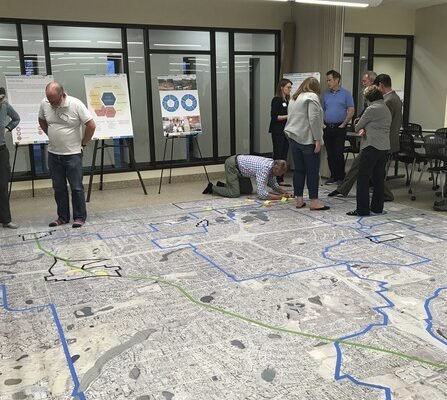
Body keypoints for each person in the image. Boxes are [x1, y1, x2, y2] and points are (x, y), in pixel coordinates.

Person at [38, 82, 96, 228]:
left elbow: (91, 125)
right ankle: (62, 217)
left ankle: (79, 217)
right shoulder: (45, 103)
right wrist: (51, 135)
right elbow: (42, 120)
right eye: (48, 99)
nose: (50, 103)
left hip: (73, 154)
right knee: (59, 188)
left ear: (62, 95)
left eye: (53, 100)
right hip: (53, 154)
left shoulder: (75, 104)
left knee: (76, 187)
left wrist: (83, 143)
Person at [328, 70, 377, 198]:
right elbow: (366, 112)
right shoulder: (369, 98)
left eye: (364, 81)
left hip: (372, 138)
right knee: (336, 156)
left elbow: (364, 112)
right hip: (332, 128)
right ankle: (341, 184)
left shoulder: (376, 97)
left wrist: (350, 124)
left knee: (361, 163)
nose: (362, 83)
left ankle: (344, 182)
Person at [284, 77, 329, 211]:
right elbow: (313, 119)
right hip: (307, 139)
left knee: (299, 170)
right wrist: (317, 139)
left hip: (293, 137)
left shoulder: (294, 98)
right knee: (312, 171)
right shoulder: (312, 97)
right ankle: (314, 202)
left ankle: (299, 200)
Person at [346, 85, 391, 216]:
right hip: (384, 147)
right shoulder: (385, 108)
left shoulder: (371, 109)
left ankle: (362, 209)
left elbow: (357, 126)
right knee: (378, 178)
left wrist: (361, 126)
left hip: (371, 146)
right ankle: (377, 207)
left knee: (363, 178)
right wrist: (366, 127)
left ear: (369, 98)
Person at [202, 155, 293, 200]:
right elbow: (261, 194)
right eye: (281, 173)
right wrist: (280, 197)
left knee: (247, 190)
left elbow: (273, 185)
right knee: (234, 193)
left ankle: (224, 185)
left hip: (242, 171)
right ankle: (212, 188)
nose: (281, 175)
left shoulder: (272, 166)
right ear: (275, 168)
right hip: (233, 165)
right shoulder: (264, 169)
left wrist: (285, 192)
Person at [323, 70, 355, 185]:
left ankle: (340, 176)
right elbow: (322, 110)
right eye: (327, 80)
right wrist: (323, 124)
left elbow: (351, 110)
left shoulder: (346, 93)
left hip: (339, 127)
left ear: (337, 80)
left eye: (329, 80)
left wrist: (344, 123)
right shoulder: (326, 94)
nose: (328, 82)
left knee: (338, 152)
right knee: (330, 153)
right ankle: (333, 176)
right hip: (327, 127)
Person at [0, 87, 20, 229]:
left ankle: (6, 219)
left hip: (1, 151)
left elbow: (16, 118)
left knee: (2, 186)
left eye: (1, 98)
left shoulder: (5, 106)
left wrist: (8, 128)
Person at [269, 78, 292, 185]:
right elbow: (275, 117)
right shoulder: (276, 100)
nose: (290, 89)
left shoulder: (288, 101)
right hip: (277, 131)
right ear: (282, 87)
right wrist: (289, 116)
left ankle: (280, 178)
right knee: (278, 154)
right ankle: (274, 178)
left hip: (286, 131)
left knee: (284, 154)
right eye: (288, 87)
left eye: (290, 87)